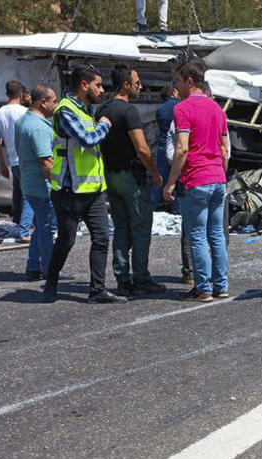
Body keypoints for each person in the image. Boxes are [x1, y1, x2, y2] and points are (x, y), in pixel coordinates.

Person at [44, 65, 125, 304]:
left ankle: (97, 289)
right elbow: (88, 140)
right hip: (70, 191)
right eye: (98, 85)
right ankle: (51, 282)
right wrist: (106, 125)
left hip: (94, 191)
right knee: (66, 241)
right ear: (83, 85)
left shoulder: (87, 111)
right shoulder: (66, 111)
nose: (102, 90)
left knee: (101, 238)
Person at [163, 60, 232, 303]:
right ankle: (220, 285)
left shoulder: (182, 109)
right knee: (217, 234)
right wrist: (221, 175)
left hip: (197, 178)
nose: (177, 87)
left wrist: (171, 182)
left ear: (190, 82)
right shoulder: (217, 109)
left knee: (198, 235)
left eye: (179, 81)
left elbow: (181, 149)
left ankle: (203, 287)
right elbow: (224, 150)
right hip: (217, 178)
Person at [98, 64, 167, 297]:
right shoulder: (129, 111)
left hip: (110, 175)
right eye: (137, 83)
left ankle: (122, 278)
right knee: (140, 229)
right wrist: (156, 173)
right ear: (126, 85)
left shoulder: (103, 109)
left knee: (120, 228)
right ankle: (141, 278)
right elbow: (142, 148)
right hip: (131, 176)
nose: (141, 87)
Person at [15, 84, 60, 281]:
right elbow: (46, 162)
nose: (56, 106)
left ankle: (34, 266)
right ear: (43, 103)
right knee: (47, 229)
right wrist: (59, 187)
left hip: (30, 182)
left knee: (41, 227)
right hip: (43, 187)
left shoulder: (23, 120)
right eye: (54, 101)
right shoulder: (39, 127)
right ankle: (50, 270)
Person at [153, 80, 193, 285]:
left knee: (163, 180)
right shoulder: (181, 108)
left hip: (164, 149)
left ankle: (190, 272)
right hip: (191, 163)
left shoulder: (161, 110)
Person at [0, 80, 32, 240]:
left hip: (12, 159)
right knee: (30, 194)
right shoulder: (24, 112)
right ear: (22, 95)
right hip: (26, 158)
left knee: (18, 192)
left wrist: (1, 163)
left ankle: (17, 221)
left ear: (6, 94)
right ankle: (24, 230)